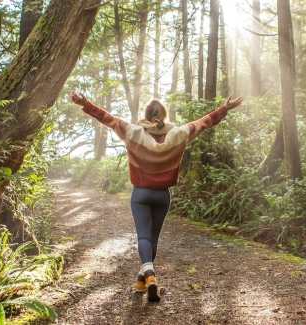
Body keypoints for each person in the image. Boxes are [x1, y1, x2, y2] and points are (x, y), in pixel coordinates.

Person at [70, 91, 243, 302]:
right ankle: (142, 283)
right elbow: (205, 122)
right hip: (163, 195)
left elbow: (106, 118)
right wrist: (224, 108)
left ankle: (149, 274)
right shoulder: (179, 133)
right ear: (164, 114)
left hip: (141, 194)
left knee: (143, 237)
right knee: (153, 239)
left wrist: (84, 102)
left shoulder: (132, 132)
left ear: (146, 114)